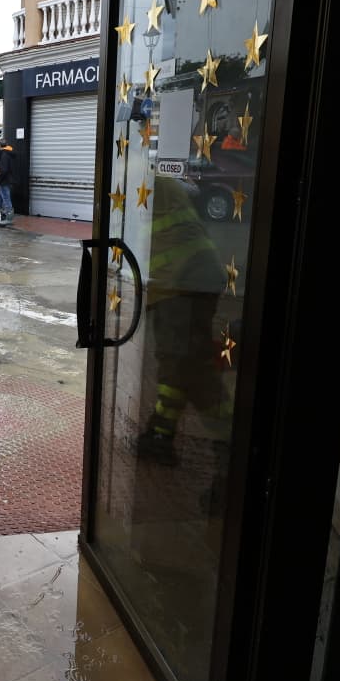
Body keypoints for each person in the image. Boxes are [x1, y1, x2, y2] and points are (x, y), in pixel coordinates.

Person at [140, 175, 229, 466]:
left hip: (182, 284)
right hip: (193, 278)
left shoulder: (136, 188)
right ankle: (160, 432)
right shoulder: (158, 184)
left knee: (190, 368)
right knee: (180, 362)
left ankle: (230, 450)